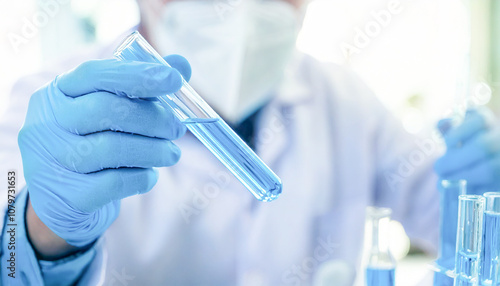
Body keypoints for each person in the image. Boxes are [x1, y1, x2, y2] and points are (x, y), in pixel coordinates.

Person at [1, 0, 498, 285]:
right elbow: (9, 261)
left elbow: (451, 223)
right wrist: (44, 227)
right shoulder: (50, 101)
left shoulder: (345, 101)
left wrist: (486, 202)